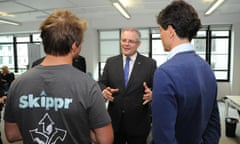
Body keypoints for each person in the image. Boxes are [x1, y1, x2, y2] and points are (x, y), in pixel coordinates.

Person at [4, 9, 113, 144]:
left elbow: (11, 134)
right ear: (74, 46)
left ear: (45, 42)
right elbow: (106, 139)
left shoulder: (18, 84)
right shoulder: (88, 85)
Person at [151, 1, 221, 144]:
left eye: (160, 30)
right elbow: (213, 123)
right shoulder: (206, 68)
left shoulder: (164, 73)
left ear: (170, 31)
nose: (160, 36)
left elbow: (163, 137)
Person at [99, 28, 157, 144]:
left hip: (138, 124)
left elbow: (157, 87)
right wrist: (104, 90)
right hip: (114, 122)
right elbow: (101, 83)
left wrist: (153, 94)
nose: (126, 44)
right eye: (124, 40)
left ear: (138, 44)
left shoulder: (149, 64)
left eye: (131, 41)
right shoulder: (111, 62)